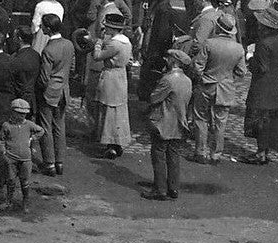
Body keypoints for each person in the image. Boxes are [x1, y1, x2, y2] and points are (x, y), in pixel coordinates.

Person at [192, 13, 246, 164]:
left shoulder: (209, 44)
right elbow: (242, 71)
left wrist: (202, 76)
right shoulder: (238, 48)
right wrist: (229, 75)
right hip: (226, 87)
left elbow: (198, 66)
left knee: (201, 118)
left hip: (207, 85)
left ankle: (200, 152)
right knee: (221, 122)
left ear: (217, 27)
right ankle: (216, 154)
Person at [143, 50, 192, 201]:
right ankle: (173, 187)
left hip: (163, 122)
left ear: (174, 61)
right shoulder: (187, 80)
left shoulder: (168, 80)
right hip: (179, 122)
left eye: (169, 58)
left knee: (158, 154)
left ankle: (160, 189)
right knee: (174, 155)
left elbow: (154, 98)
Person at [243, 6, 278, 165]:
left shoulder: (263, 43)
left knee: (260, 121)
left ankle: (260, 153)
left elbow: (261, 67)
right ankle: (265, 152)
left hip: (262, 87)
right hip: (276, 85)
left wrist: (250, 59)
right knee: (268, 122)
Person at [91, 11, 132, 158]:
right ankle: (117, 143)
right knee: (119, 111)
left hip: (111, 77)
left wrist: (99, 43)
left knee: (108, 111)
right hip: (121, 77)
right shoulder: (127, 41)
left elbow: (97, 57)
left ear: (113, 29)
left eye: (107, 27)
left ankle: (111, 144)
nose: (106, 29)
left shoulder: (114, 44)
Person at [0, 99, 44, 213]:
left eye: (24, 114)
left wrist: (32, 138)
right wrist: (3, 152)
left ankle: (25, 203)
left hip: (26, 159)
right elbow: (0, 140)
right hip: (11, 158)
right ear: (12, 112)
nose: (22, 116)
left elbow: (41, 131)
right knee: (11, 180)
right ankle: (8, 202)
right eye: (19, 113)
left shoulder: (29, 125)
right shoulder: (6, 126)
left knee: (25, 182)